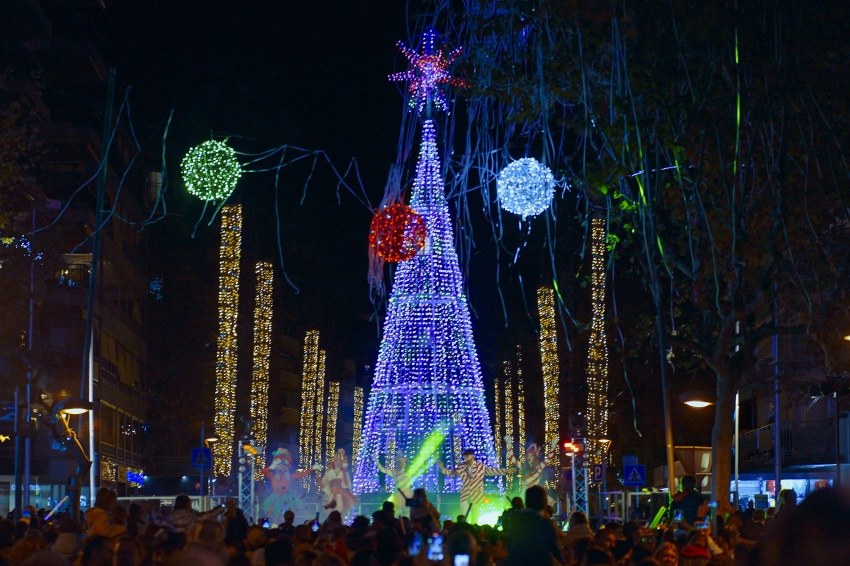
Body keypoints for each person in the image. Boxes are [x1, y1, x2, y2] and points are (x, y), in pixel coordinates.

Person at [439, 449, 515, 524]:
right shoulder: (462, 466)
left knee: (475, 513)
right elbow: (452, 473)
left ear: (472, 456)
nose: (466, 458)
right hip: (465, 492)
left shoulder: (480, 466)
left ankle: (474, 527)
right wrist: (442, 468)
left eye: (467, 456)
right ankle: (464, 525)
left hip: (476, 492)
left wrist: (505, 471)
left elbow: (490, 471)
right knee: (464, 512)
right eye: (465, 456)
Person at [502, 485, 563, 566]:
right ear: (543, 501)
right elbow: (555, 548)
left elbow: (511, 543)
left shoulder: (516, 520)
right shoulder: (545, 523)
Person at [261, 447, 322, 525]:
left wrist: (312, 468)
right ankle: (278, 527)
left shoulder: (290, 476)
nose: (281, 467)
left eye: (283, 465)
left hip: (286, 498)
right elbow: (263, 471)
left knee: (286, 515)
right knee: (277, 516)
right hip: (275, 498)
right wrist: (271, 467)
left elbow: (303, 474)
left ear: (287, 466)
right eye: (279, 465)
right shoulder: (272, 475)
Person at [318, 449, 359, 518]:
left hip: (341, 495)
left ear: (342, 462)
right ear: (334, 462)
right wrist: (319, 480)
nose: (338, 462)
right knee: (330, 513)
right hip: (331, 495)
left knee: (340, 513)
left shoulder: (344, 473)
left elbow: (346, 485)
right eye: (336, 460)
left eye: (340, 461)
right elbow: (323, 485)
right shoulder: (329, 473)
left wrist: (344, 473)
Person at [374, 452, 413, 516]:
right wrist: (376, 459)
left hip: (408, 495)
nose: (402, 464)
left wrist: (400, 455)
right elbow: (382, 469)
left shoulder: (409, 472)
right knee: (398, 514)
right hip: (398, 495)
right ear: (398, 464)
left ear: (406, 463)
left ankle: (407, 525)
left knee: (408, 513)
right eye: (400, 462)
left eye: (404, 462)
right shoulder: (395, 472)